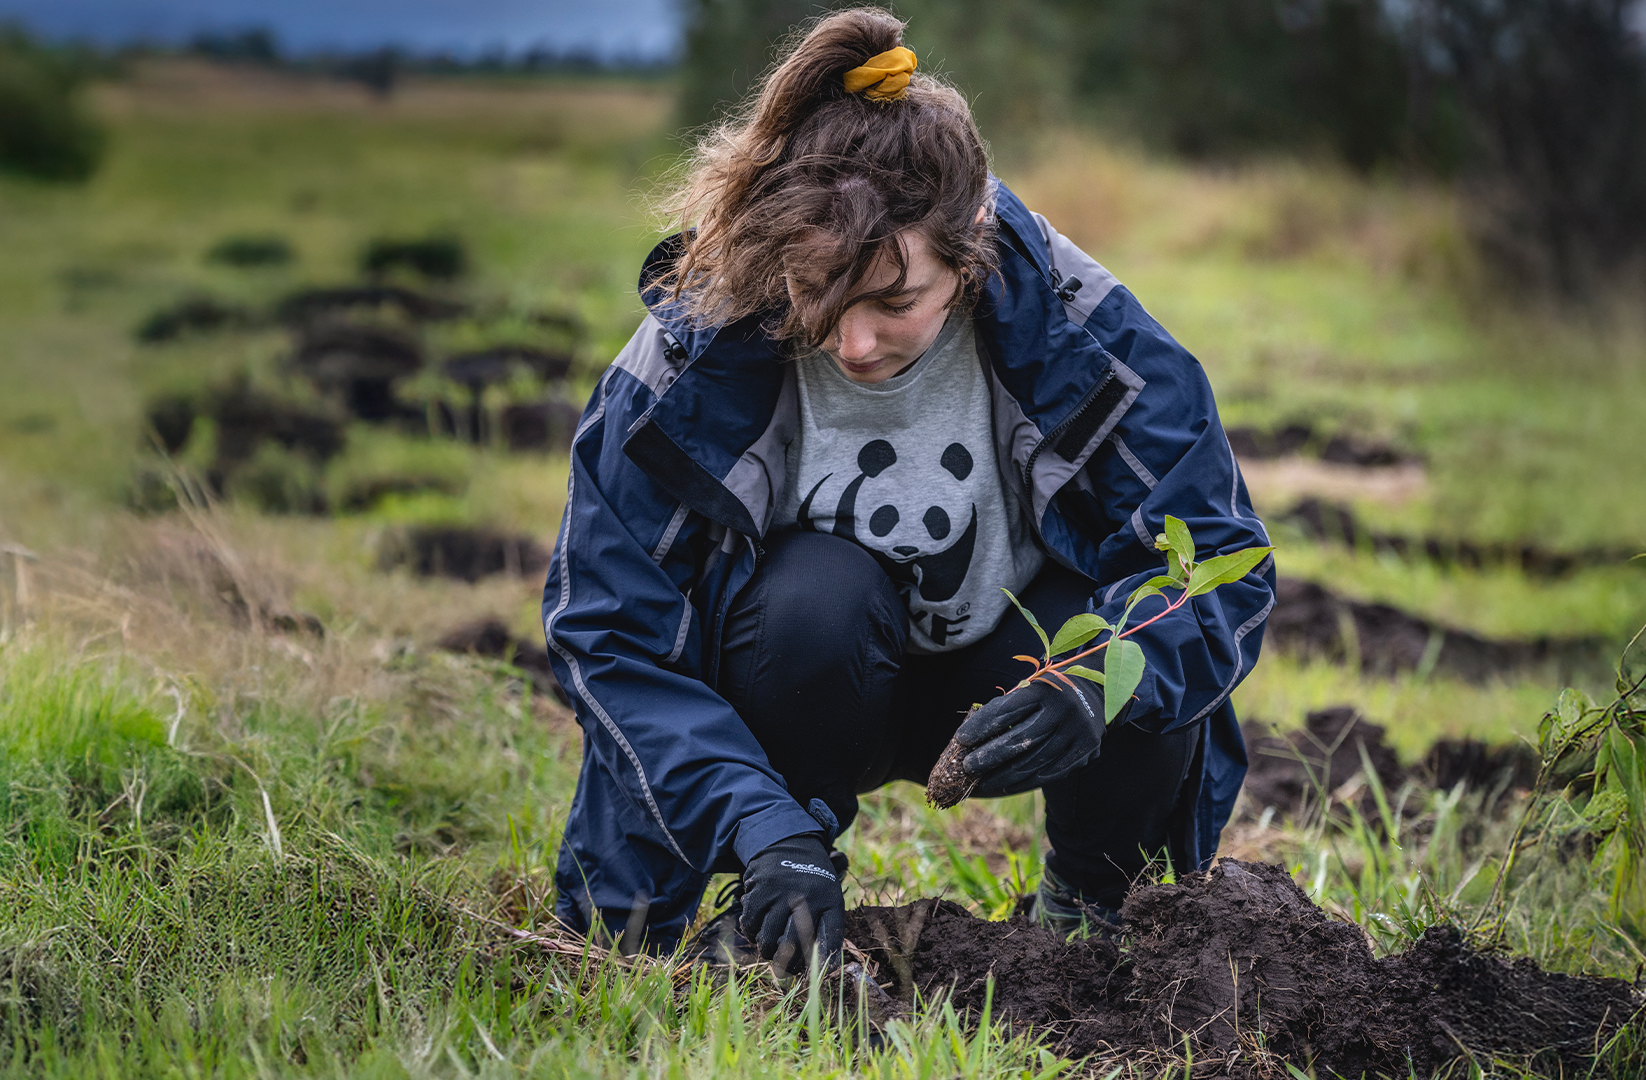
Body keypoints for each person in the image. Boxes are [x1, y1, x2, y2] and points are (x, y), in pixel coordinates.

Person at [540, 7, 1274, 970]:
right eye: (817, 294)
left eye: (894, 301)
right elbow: (607, 631)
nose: (851, 344)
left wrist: (1095, 691)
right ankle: (775, 896)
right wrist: (762, 828)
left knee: (1134, 648)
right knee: (818, 594)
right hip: (802, 667)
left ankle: (1095, 917)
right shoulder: (686, 355)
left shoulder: (1091, 329)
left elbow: (1218, 565)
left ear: (969, 244)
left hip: (1009, 669)